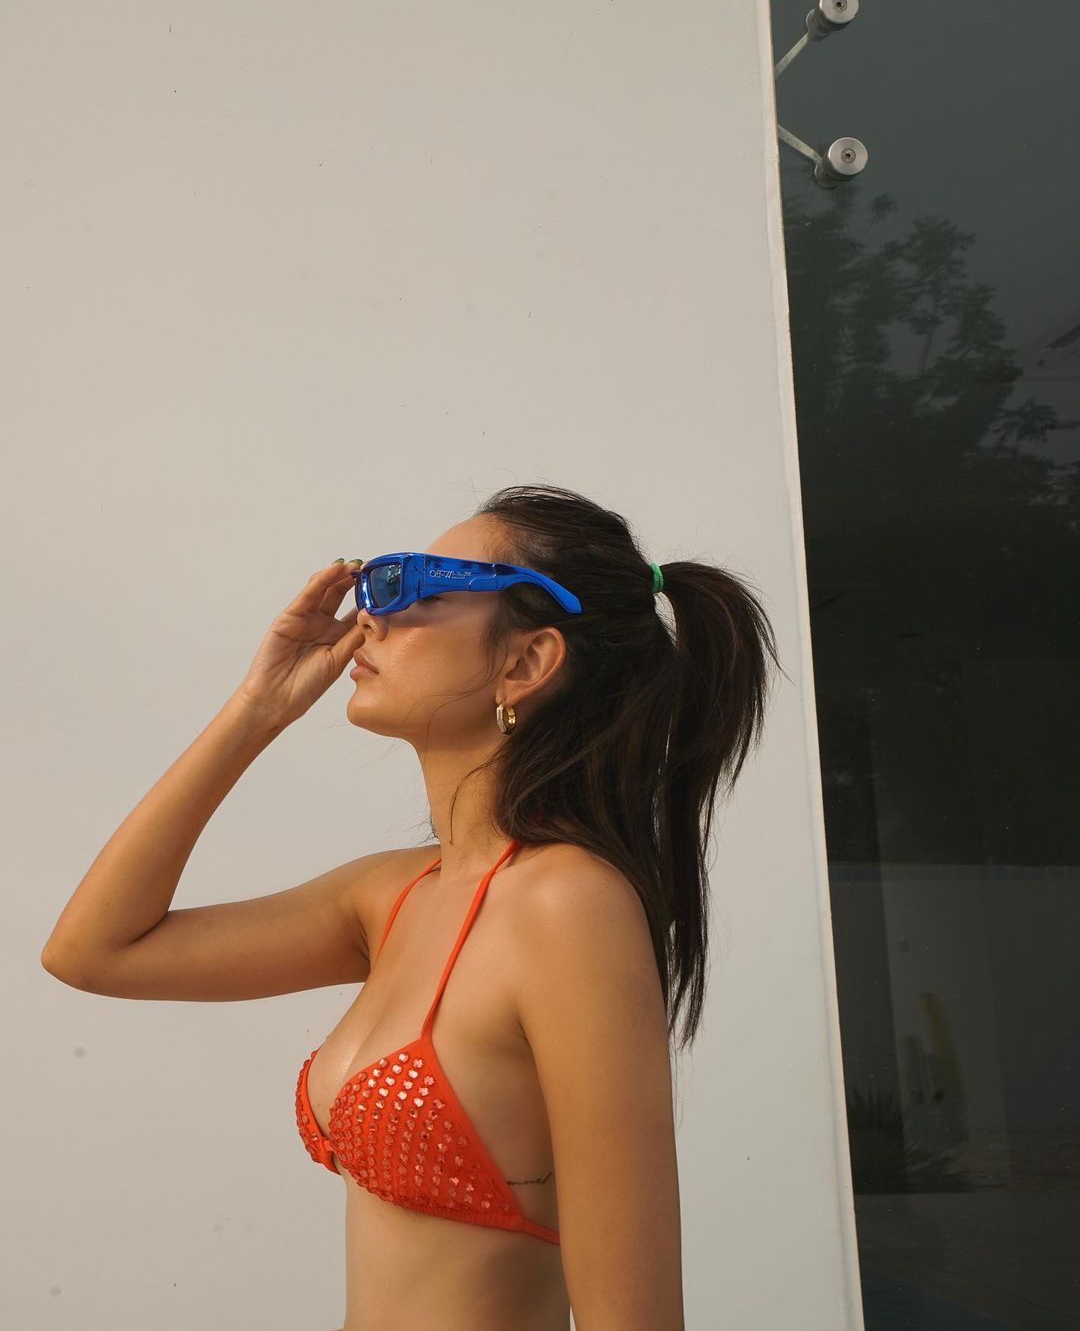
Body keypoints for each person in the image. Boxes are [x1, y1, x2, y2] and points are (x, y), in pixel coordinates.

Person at [42, 482, 782, 1330]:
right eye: (379, 583)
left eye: (417, 586)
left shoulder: (567, 905)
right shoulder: (390, 896)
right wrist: (257, 710)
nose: (372, 616)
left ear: (526, 662)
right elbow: (93, 951)